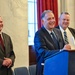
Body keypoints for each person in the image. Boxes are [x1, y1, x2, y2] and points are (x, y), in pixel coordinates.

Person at [34, 10, 71, 75]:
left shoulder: (58, 31)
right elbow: (43, 52)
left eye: (53, 18)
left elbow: (62, 47)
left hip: (59, 68)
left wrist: (66, 49)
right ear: (43, 21)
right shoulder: (39, 34)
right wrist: (61, 51)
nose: (52, 21)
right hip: (45, 69)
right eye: (49, 19)